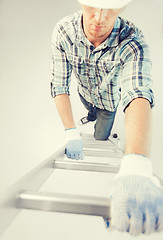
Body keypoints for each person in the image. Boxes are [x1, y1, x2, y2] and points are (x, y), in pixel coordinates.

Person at [50, 0, 163, 235]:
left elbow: (138, 92)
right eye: (92, 5)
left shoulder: (132, 41)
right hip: (85, 95)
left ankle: (97, 122)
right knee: (88, 109)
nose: (99, 18)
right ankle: (88, 115)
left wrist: (136, 163)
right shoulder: (63, 31)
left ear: (123, 6)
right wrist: (70, 132)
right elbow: (60, 85)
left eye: (110, 7)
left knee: (101, 135)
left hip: (108, 105)